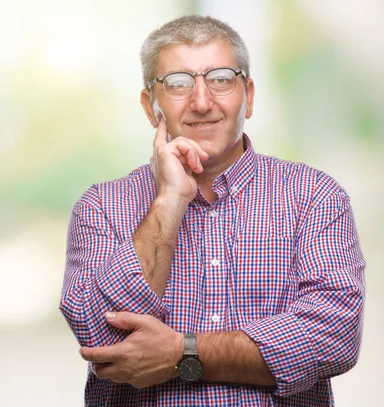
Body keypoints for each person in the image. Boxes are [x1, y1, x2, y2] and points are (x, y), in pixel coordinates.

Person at [60, 15, 365, 407]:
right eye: (178, 84)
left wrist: (182, 354)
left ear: (249, 96)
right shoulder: (100, 207)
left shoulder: (314, 197)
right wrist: (169, 202)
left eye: (221, 79)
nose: (202, 102)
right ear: (150, 106)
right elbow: (102, 342)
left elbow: (333, 336)